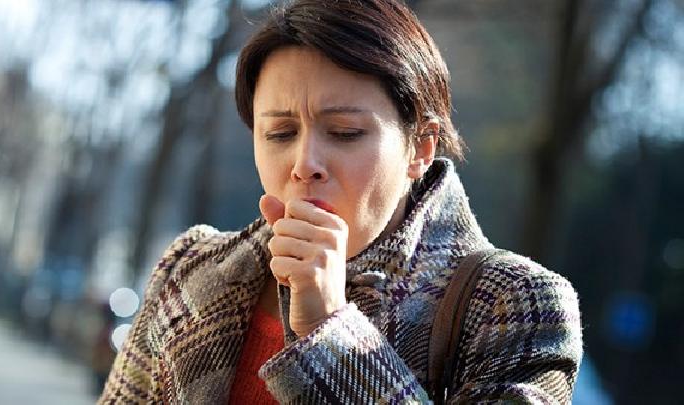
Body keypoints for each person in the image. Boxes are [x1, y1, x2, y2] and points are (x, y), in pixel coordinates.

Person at [99, 0, 583, 403]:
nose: (304, 163)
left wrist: (329, 330)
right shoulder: (189, 269)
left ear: (421, 147)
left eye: (345, 132)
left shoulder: (516, 305)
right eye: (280, 133)